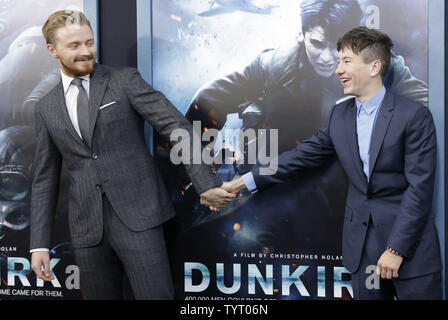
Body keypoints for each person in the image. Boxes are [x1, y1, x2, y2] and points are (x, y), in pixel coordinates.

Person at [221, 27, 442, 300]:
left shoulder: (414, 116)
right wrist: (241, 182)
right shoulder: (340, 115)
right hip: (361, 252)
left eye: (346, 61)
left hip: (411, 253)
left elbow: (420, 189)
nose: (338, 69)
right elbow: (300, 157)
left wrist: (396, 250)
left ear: (374, 67)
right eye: (339, 61)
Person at [29, 10, 235, 300]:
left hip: (140, 220)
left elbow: (177, 127)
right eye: (74, 46)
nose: (86, 51)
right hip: (87, 230)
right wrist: (39, 244)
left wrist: (206, 184)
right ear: (52, 50)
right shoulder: (46, 108)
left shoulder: (124, 81)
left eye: (89, 42)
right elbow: (44, 180)